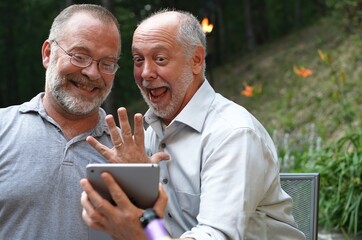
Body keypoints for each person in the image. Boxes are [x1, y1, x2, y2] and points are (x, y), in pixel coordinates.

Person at [80, 9, 306, 240]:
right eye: (139, 60)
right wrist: (133, 191)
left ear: (196, 60)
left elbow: (216, 235)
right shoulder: (152, 134)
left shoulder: (233, 134)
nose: (146, 73)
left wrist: (140, 235)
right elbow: (156, 228)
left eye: (160, 59)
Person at [0, 4, 122, 239]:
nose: (92, 73)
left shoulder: (128, 150)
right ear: (47, 53)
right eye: (80, 56)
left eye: (106, 63)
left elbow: (152, 231)